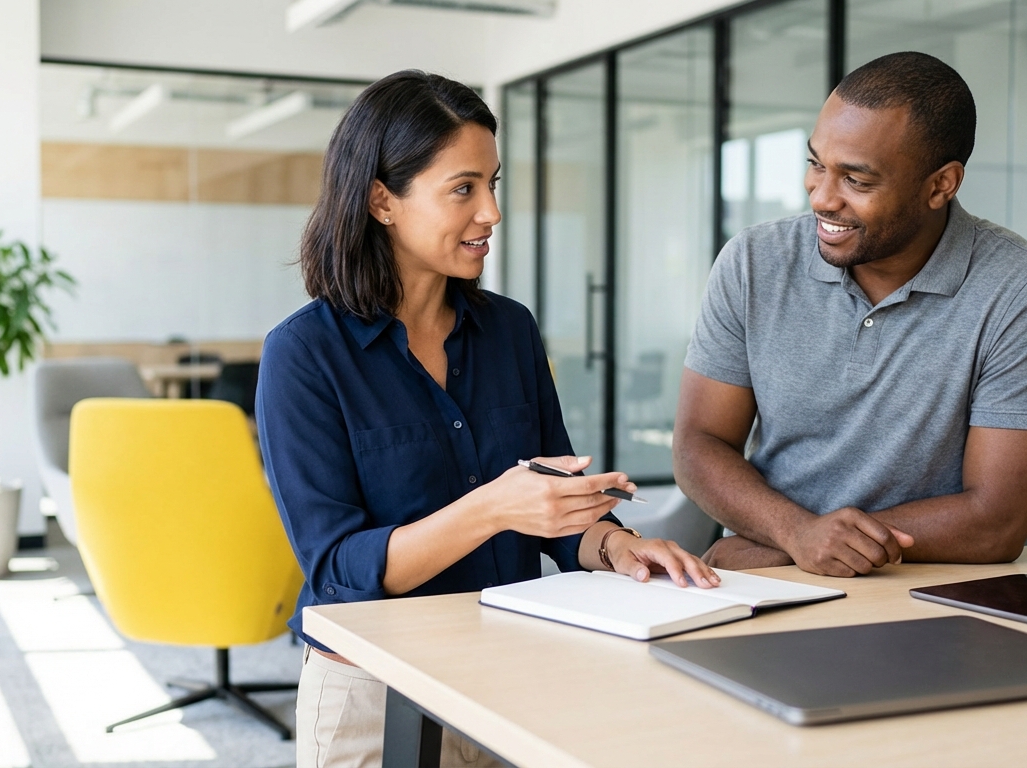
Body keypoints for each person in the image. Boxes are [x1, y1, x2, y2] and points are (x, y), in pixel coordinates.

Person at [256, 70, 718, 767]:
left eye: (493, 184)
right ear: (383, 200)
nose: (492, 213)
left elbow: (556, 509)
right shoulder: (304, 355)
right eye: (463, 189)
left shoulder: (509, 330)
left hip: (512, 674)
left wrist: (614, 546)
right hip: (372, 695)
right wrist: (494, 507)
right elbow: (338, 570)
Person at [675, 52, 1027, 577]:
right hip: (768, 583)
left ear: (941, 185)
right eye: (816, 163)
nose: (822, 197)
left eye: (856, 181)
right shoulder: (755, 261)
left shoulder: (1023, 292)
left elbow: (995, 521)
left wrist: (802, 549)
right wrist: (796, 534)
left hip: (923, 594)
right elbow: (698, 444)